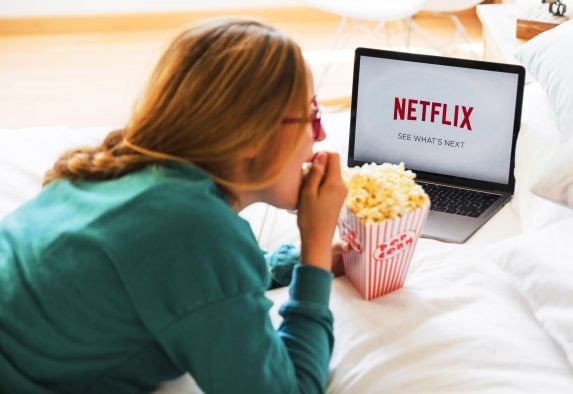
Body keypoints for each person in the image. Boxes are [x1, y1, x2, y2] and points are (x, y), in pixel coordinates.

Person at [0, 18, 348, 393]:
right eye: (312, 116)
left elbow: (174, 280)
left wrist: (287, 264)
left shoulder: (123, 169)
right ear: (253, 135)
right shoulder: (196, 231)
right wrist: (314, 254)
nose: (322, 134)